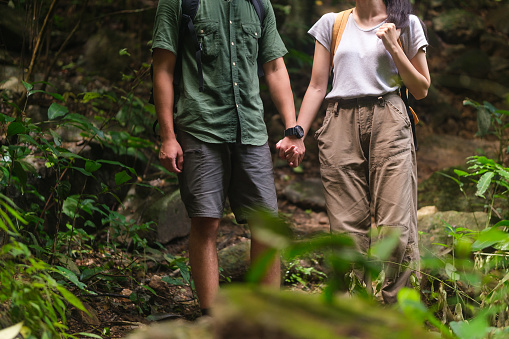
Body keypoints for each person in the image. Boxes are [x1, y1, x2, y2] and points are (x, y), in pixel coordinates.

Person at [151, 0, 304, 316]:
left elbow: (274, 67)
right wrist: (168, 136)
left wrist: (293, 128)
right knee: (206, 221)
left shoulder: (259, 4)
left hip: (250, 127)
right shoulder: (179, 3)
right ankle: (211, 318)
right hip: (200, 125)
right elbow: (163, 69)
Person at [278, 0, 430, 303]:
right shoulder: (332, 24)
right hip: (338, 123)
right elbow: (317, 86)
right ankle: (355, 312)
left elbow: (422, 88)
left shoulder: (407, 23)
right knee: (347, 232)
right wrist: (297, 133)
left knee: (396, 229)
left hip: (389, 119)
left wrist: (394, 47)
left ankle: (398, 315)